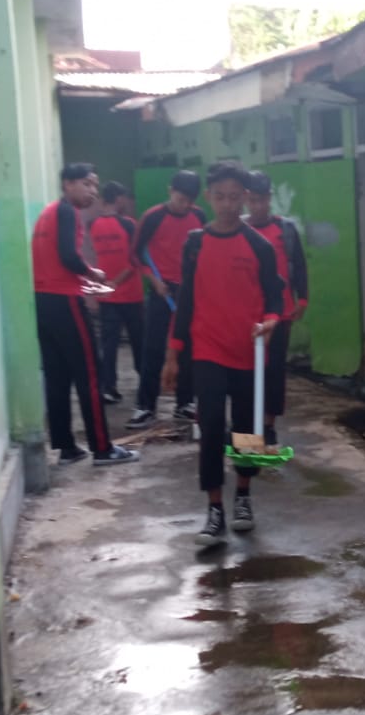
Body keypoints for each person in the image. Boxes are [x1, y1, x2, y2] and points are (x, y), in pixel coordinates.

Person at [161, 162, 283, 549]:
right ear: (209, 198)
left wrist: (270, 322)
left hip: (248, 352)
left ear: (245, 197)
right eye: (220, 197)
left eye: (234, 197)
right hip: (208, 350)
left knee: (246, 430)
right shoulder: (196, 243)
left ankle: (243, 495)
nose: (228, 205)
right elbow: (185, 301)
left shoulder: (260, 247)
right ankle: (214, 509)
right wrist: (173, 354)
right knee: (211, 426)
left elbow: (274, 298)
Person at [31, 163, 139, 467]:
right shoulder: (66, 212)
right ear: (68, 184)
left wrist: (82, 279)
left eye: (95, 185)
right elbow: (68, 256)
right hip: (65, 302)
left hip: (43, 300)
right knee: (90, 372)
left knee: (57, 375)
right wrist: (93, 273)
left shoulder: (47, 212)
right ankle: (102, 448)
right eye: (87, 184)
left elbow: (53, 260)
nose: (93, 191)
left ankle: (66, 447)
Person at [129, 171, 207, 429]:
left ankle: (185, 403)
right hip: (161, 290)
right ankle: (145, 406)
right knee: (152, 349)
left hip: (188, 291)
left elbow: (204, 253)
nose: (185, 205)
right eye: (181, 198)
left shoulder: (199, 217)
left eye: (189, 201)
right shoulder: (153, 217)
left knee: (187, 348)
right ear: (170, 190)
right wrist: (154, 281)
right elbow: (135, 254)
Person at [244, 170, 309, 447]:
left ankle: (268, 426)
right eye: (253, 200)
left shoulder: (285, 229)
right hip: (246, 314)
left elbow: (300, 265)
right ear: (246, 199)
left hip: (281, 313)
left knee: (274, 370)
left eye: (262, 200)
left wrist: (302, 299)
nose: (258, 206)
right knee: (245, 371)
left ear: (269, 198)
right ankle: (248, 429)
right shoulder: (239, 230)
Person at [89, 181, 144, 405]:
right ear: (119, 198)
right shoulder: (129, 224)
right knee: (138, 341)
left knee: (109, 344)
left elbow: (97, 259)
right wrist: (116, 282)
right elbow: (135, 260)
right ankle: (145, 384)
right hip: (130, 294)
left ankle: (108, 387)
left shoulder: (94, 225)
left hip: (106, 296)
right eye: (125, 198)